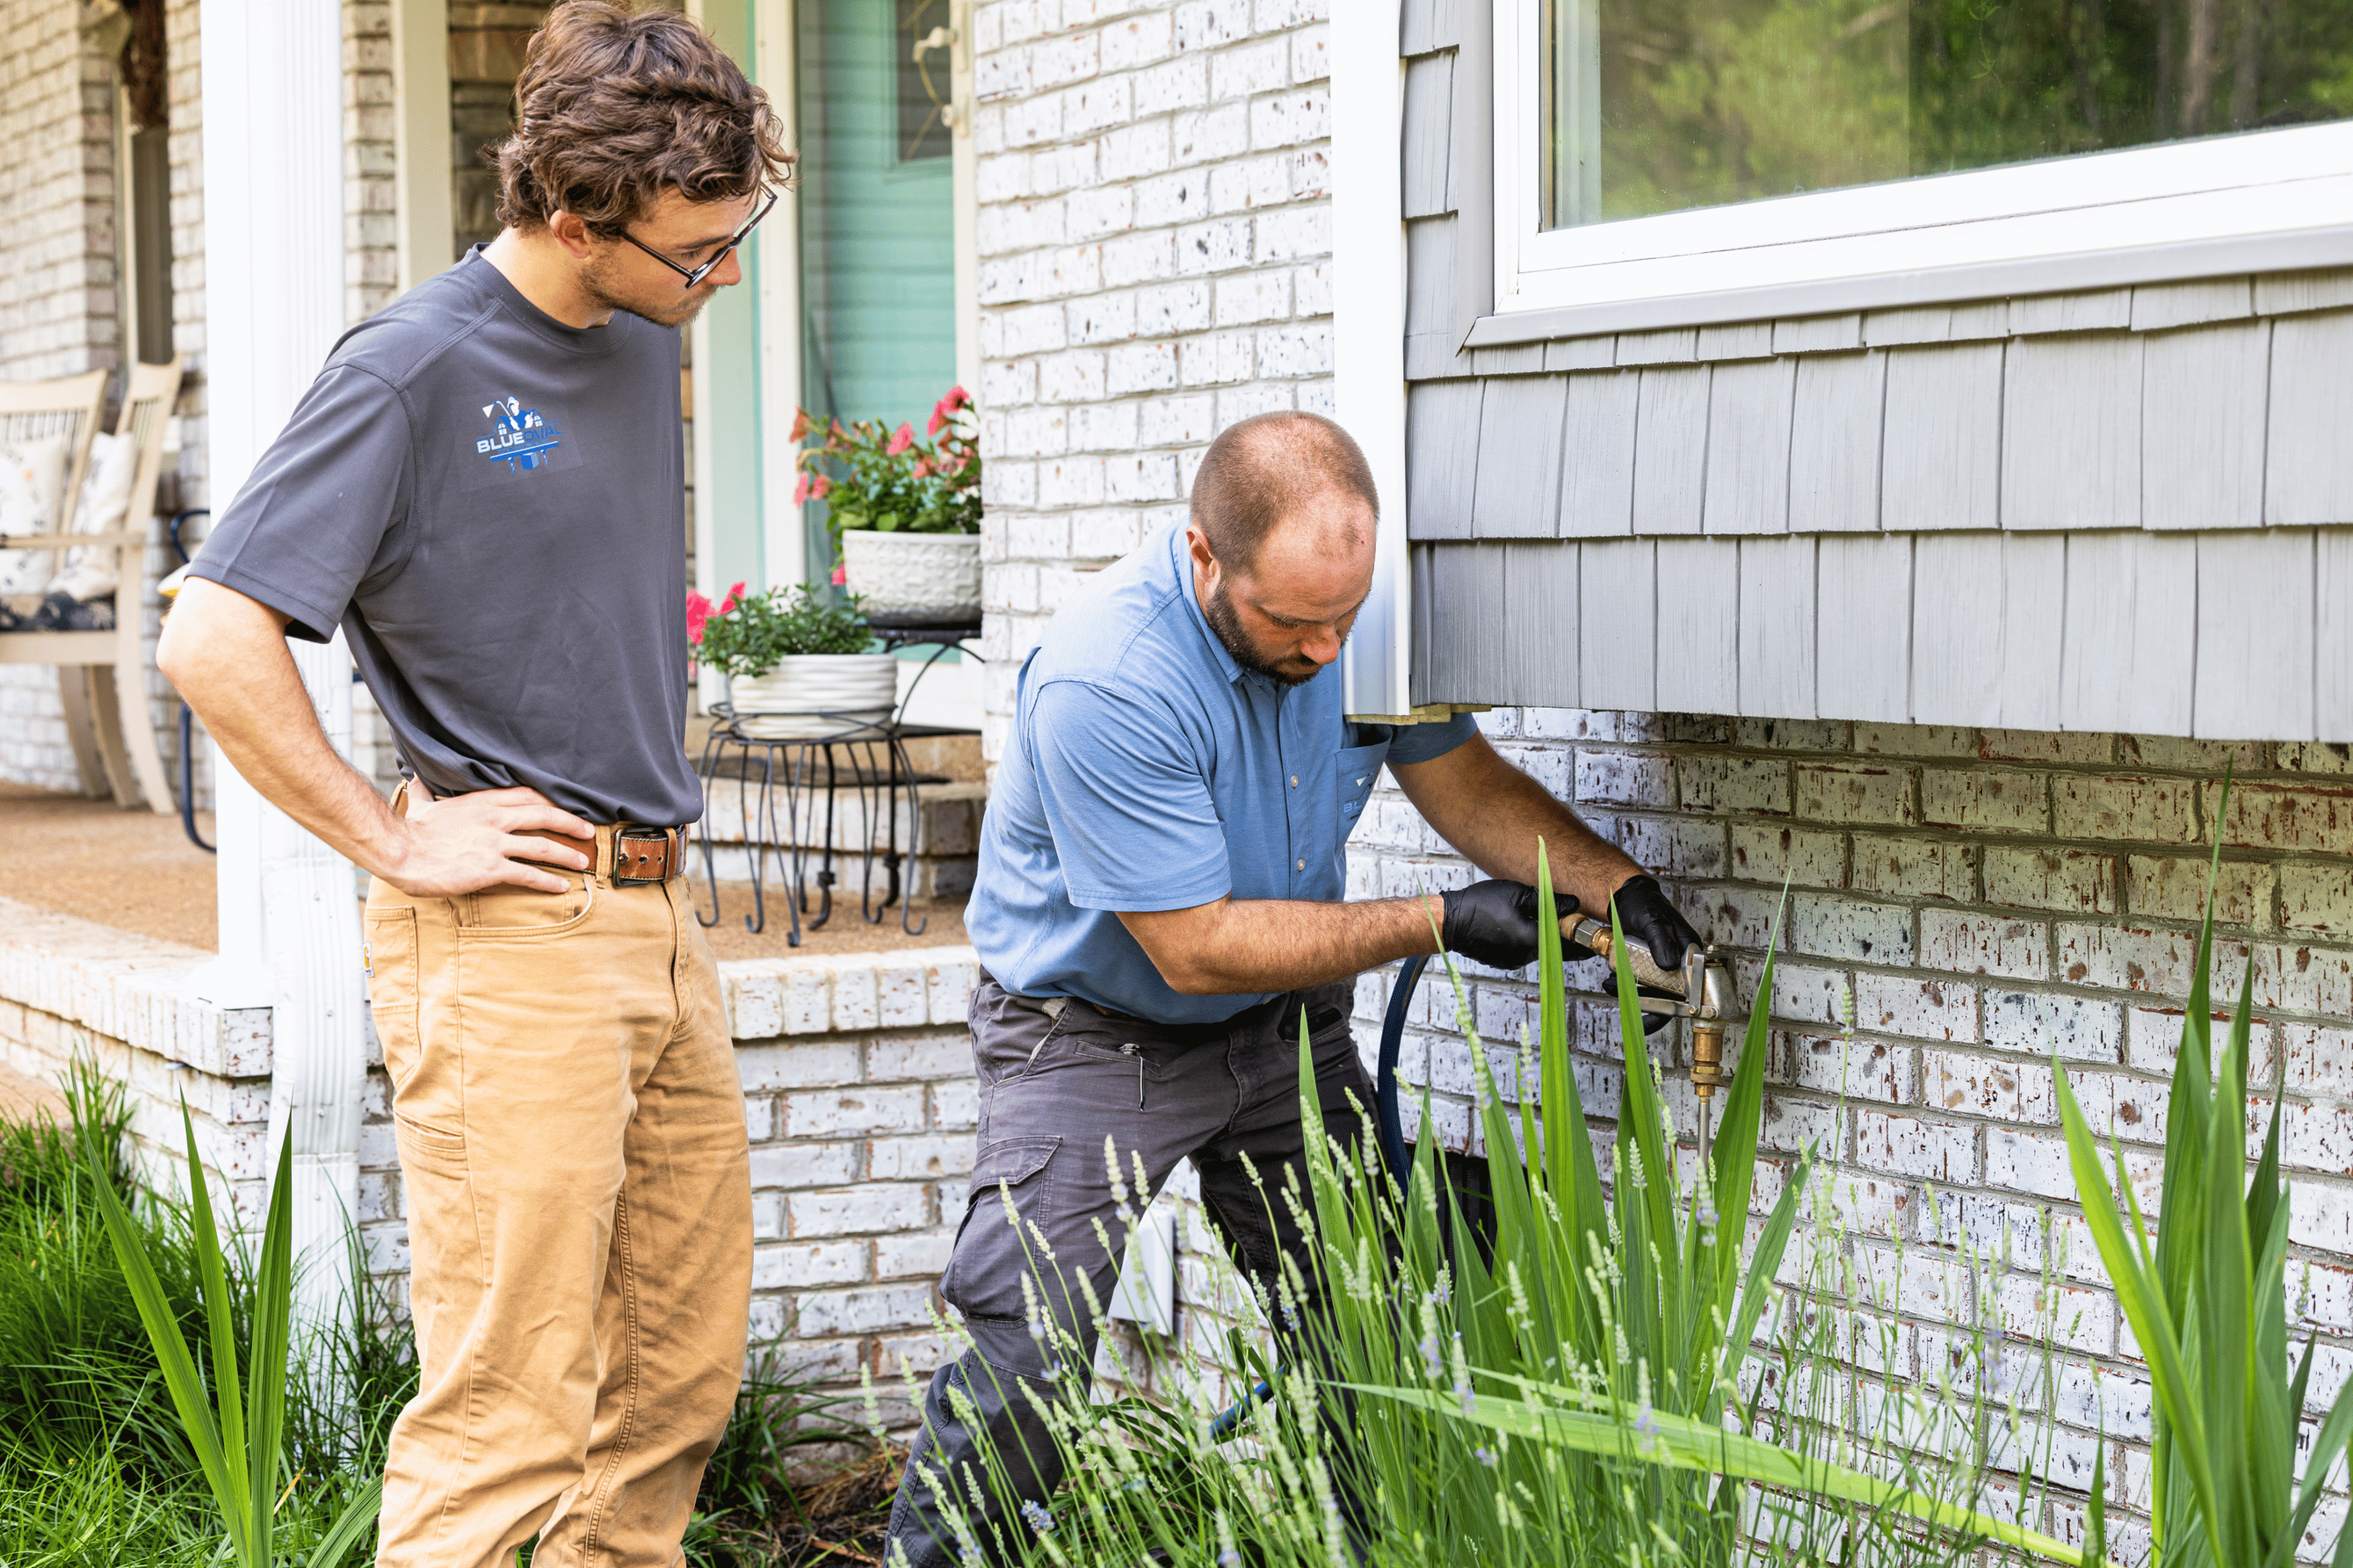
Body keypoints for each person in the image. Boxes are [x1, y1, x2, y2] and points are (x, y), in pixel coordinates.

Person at [154, 7, 791, 1564]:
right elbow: (214, 635)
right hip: (509, 941)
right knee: (510, 1413)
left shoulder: (636, 337)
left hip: (657, 915)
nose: (718, 286)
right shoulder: (410, 368)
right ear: (572, 220)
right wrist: (386, 833)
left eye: (735, 241)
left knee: (672, 1384)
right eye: (693, 257)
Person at [885, 411, 1705, 1564]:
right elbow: (1196, 945)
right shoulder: (1109, 677)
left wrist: (1613, 886)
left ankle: (1372, 1545)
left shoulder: (1347, 621)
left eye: (1346, 619)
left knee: (1359, 1311)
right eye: (1292, 623)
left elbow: (1461, 777)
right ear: (1206, 556)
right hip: (1091, 1038)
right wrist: (1439, 920)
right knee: (1030, 1340)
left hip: (1282, 1036)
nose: (1328, 652)